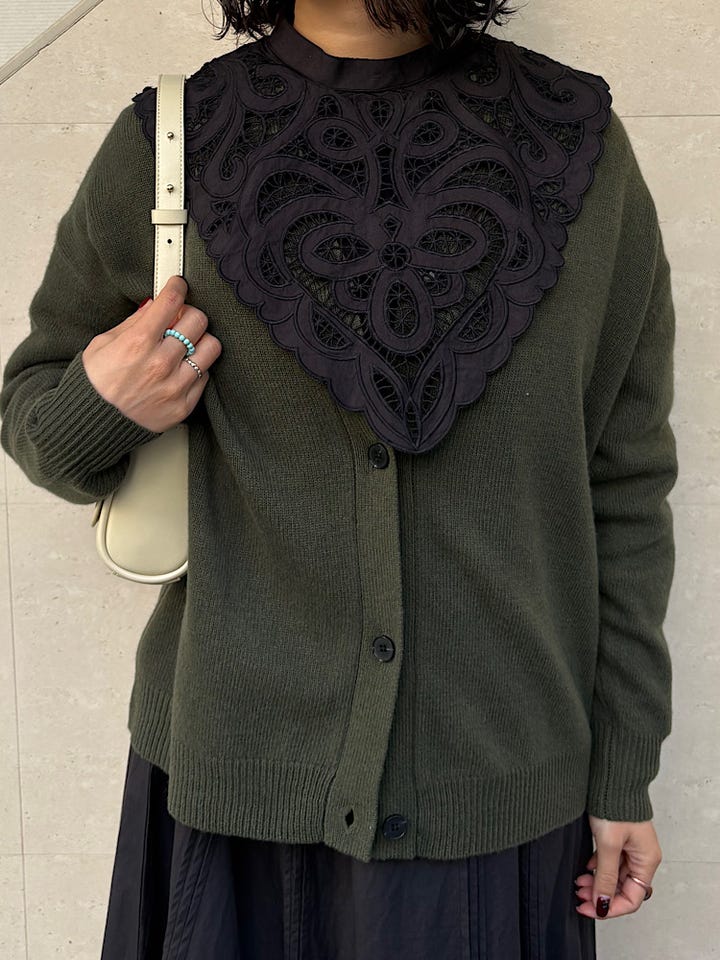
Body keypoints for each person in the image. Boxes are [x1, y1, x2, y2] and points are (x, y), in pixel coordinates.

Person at [0, 0, 677, 956]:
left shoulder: (578, 144)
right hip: (233, 807)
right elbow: (34, 418)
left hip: (497, 798)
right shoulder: (174, 141)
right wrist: (103, 402)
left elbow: (626, 478)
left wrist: (624, 767)